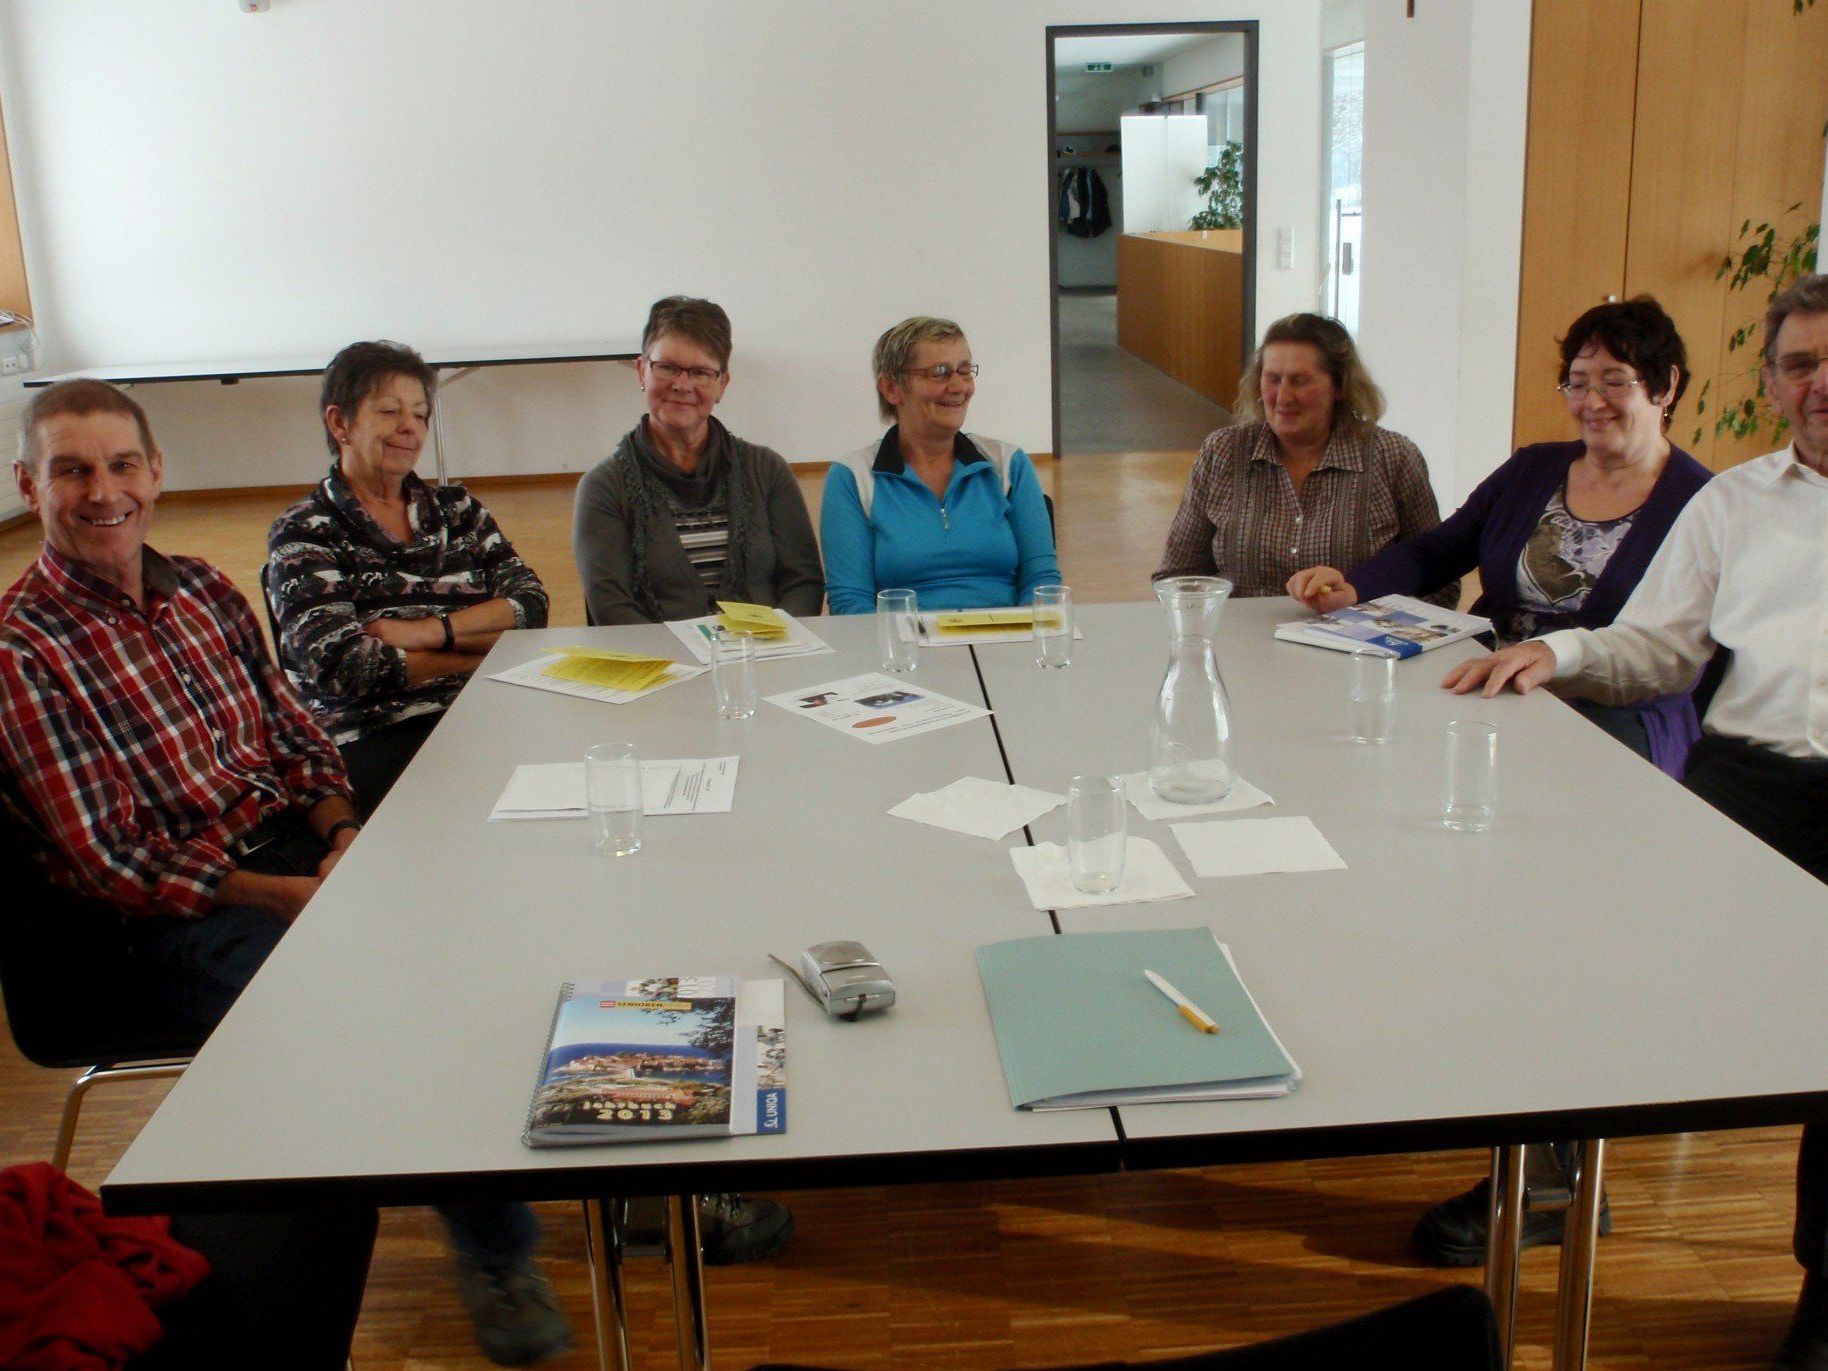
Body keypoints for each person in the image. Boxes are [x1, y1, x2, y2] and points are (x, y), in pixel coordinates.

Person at [0, 380, 571, 1366]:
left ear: (157, 473)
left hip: (296, 857)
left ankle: (606, 1173)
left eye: (122, 464)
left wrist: (342, 829)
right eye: (72, 470)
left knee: (487, 927)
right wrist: (290, 896)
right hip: (163, 924)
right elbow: (110, 857)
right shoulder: (21, 648)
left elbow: (293, 737)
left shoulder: (203, 589)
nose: (104, 490)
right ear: (29, 484)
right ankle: (497, 1247)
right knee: (380, 1006)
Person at [1439, 275, 1828, 1371]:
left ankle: (1824, 1290)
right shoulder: (1735, 503)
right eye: (1798, 364)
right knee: (1594, 961)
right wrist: (1556, 652)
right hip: (1749, 779)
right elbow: (1658, 646)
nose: (1818, 384)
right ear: (1769, 384)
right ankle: (1552, 1173)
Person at [1288, 296, 1711, 780]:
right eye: (1577, 384)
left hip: (1611, 713)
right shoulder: (1533, 469)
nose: (1592, 402)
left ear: (1666, 386)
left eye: (1615, 382)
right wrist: (1354, 586)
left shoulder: (1701, 502)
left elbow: (1671, 652)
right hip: (1489, 681)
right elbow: (1439, 549)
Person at [268, 340, 549, 818]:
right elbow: (345, 667)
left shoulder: (458, 511)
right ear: (340, 424)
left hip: (490, 708)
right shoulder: (304, 531)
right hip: (376, 733)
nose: (409, 428)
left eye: (420, 414)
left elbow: (531, 607)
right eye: (389, 411)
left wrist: (427, 632)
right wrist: (477, 651)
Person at [1156, 312, 1457, 606]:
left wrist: (1375, 618)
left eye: (1300, 381)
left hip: (1357, 647)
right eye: (1272, 379)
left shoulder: (1393, 457)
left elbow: (1440, 583)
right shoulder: (1223, 452)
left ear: (1340, 386)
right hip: (1242, 643)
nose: (1283, 396)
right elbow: (1178, 577)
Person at [574, 296, 823, 625]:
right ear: (641, 371)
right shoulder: (603, 486)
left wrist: (769, 646)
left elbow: (803, 582)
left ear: (722, 385)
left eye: (701, 373)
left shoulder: (767, 470)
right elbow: (610, 606)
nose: (681, 385)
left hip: (767, 660)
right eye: (667, 368)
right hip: (661, 669)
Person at [821, 315, 1060, 614]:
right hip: (908, 650)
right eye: (939, 373)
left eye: (964, 371)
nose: (959, 386)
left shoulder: (1008, 464)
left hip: (1005, 643)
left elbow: (1042, 582)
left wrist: (1019, 639)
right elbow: (850, 601)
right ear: (892, 388)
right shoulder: (853, 477)